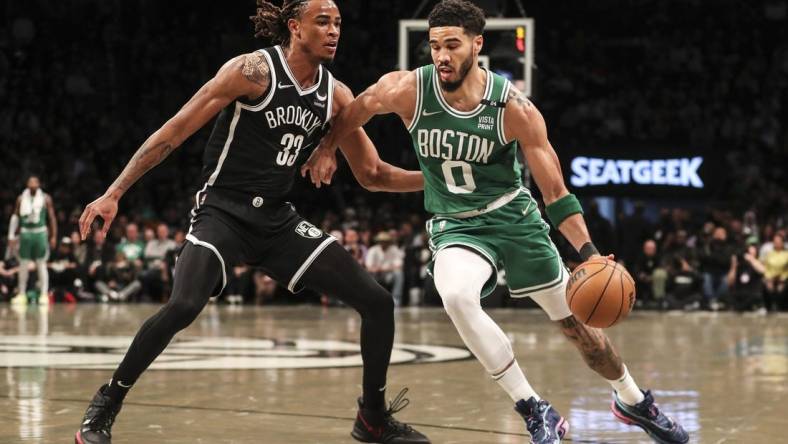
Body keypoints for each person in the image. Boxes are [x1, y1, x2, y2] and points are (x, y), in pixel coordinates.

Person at [303, 1, 688, 442]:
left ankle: (633, 400)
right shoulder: (408, 89)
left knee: (581, 329)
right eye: (434, 46)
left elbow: (557, 195)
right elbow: (358, 109)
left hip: (514, 219)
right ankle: (534, 407)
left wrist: (590, 255)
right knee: (456, 296)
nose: (442, 55)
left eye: (452, 45)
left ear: (477, 44)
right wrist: (329, 146)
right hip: (457, 226)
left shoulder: (514, 109)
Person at [73, 1, 429, 443]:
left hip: (276, 220)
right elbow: (176, 130)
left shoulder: (336, 94)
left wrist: (441, 184)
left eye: (338, 23)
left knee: (377, 301)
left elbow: (374, 175)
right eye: (323, 22)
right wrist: (114, 192)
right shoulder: (252, 70)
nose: (334, 31)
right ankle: (108, 399)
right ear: (295, 27)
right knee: (184, 305)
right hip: (223, 210)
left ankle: (372, 417)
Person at [7, 175, 57, 305]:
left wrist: (53, 236)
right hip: (25, 234)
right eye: (30, 182)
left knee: (41, 264)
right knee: (23, 264)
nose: (33, 184)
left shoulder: (46, 198)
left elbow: (51, 218)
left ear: (39, 184)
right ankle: (22, 293)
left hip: (39, 233)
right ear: (27, 184)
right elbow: (15, 217)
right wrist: (11, 235)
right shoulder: (21, 198)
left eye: (35, 181)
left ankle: (44, 294)